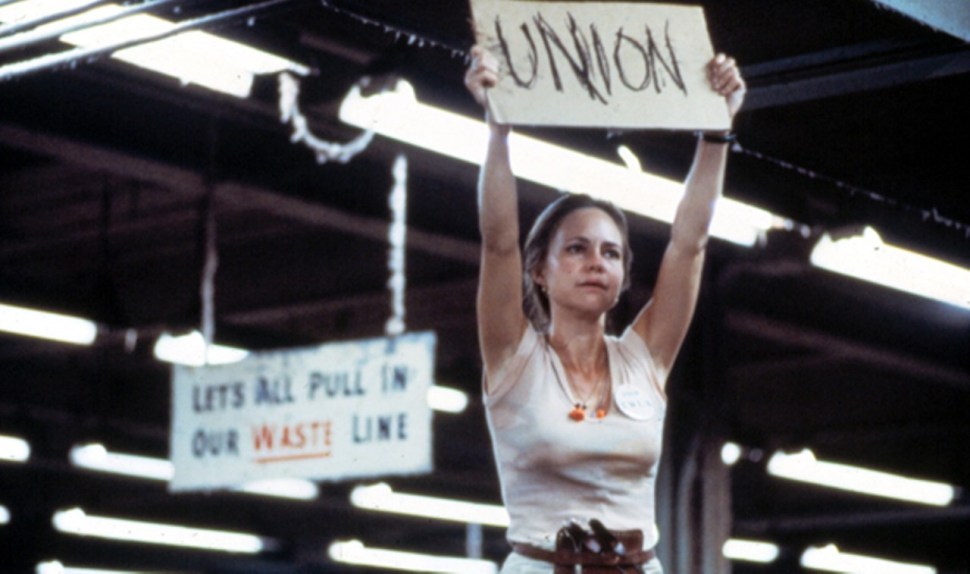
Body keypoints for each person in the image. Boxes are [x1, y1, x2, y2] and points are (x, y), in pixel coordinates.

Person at [464, 43, 746, 574]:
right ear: (539, 272)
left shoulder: (645, 357)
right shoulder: (512, 355)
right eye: (576, 248)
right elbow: (498, 240)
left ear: (621, 278)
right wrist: (497, 126)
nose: (596, 261)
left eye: (610, 252)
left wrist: (715, 132)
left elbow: (690, 244)